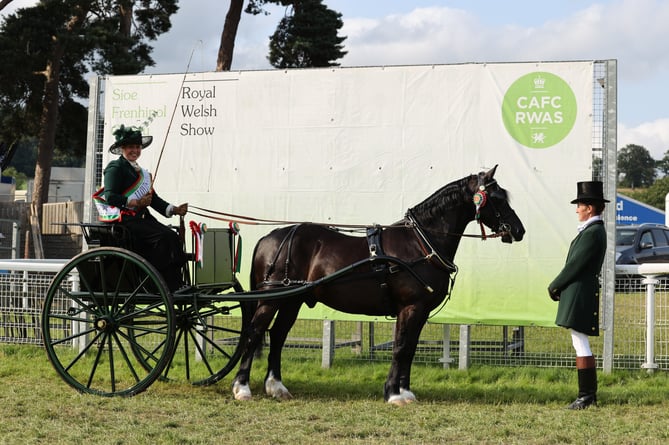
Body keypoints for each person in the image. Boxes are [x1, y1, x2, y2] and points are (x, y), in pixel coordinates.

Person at [93, 125, 189, 291]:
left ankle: (174, 283)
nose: (135, 150)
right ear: (123, 148)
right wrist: (136, 203)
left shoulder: (143, 173)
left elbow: (154, 200)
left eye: (138, 147)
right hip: (125, 221)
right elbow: (110, 197)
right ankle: (154, 282)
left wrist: (175, 209)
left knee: (172, 237)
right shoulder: (115, 168)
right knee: (164, 236)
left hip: (141, 220)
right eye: (131, 147)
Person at [548, 181, 609, 410]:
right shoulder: (592, 231)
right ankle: (587, 395)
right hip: (578, 291)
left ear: (590, 208)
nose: (577, 210)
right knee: (578, 341)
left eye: (579, 205)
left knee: (580, 342)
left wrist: (554, 285)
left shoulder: (593, 232)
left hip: (581, 293)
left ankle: (587, 396)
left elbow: (574, 265)